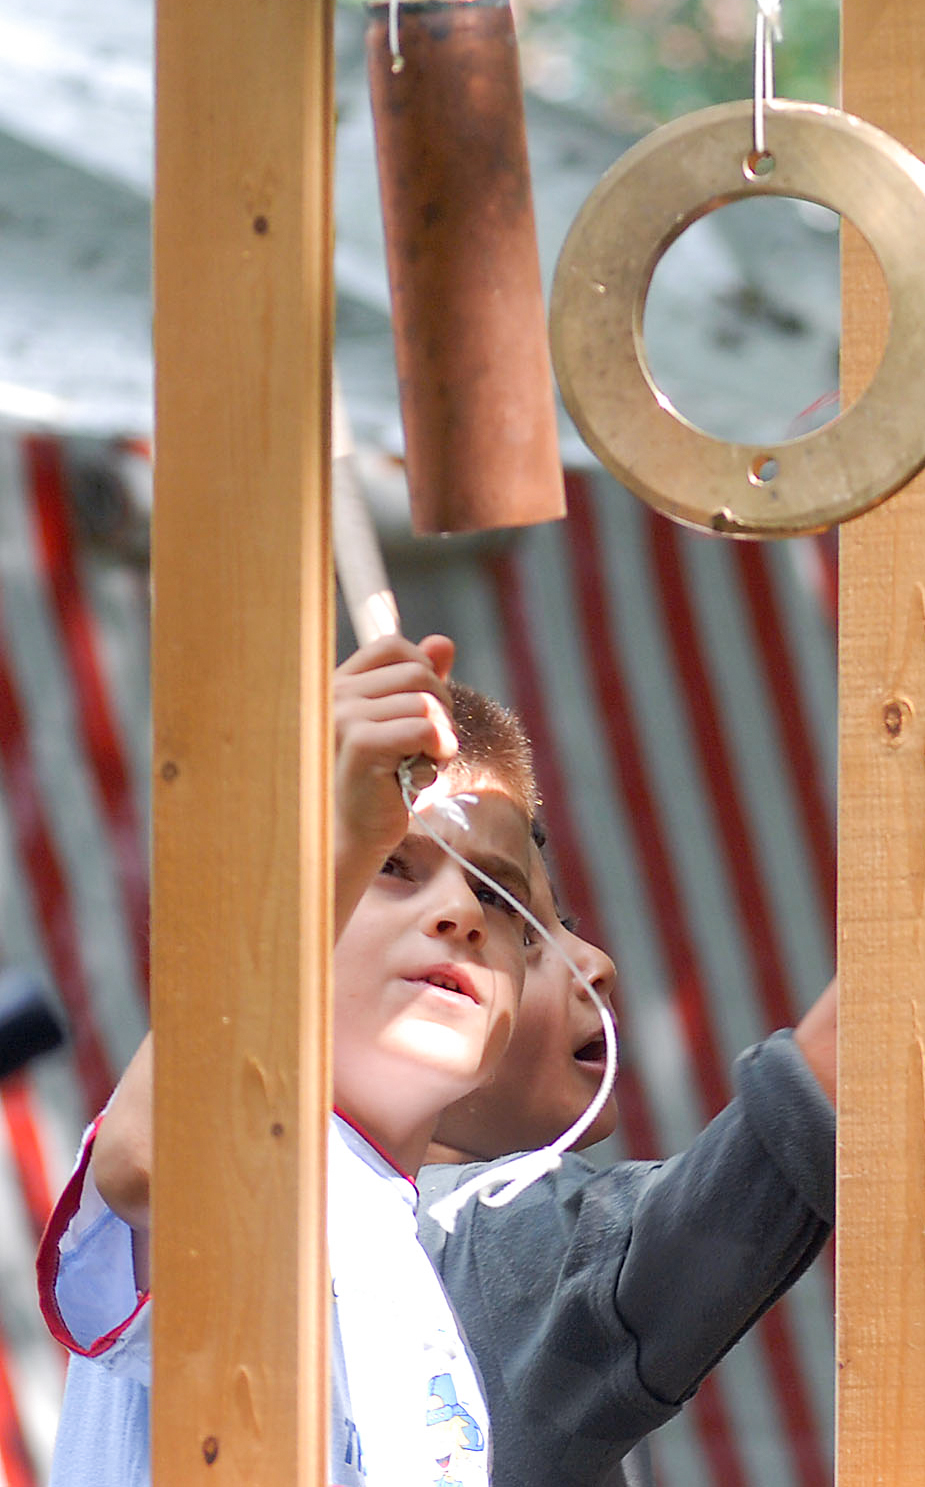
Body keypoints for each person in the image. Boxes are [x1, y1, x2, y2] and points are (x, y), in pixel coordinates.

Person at [42, 633, 537, 1485]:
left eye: (497, 893)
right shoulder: (260, 1139)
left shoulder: (398, 1244)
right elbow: (150, 1165)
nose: (460, 909)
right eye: (391, 864)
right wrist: (322, 841)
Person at [413, 871, 840, 1487]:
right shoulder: (474, 1233)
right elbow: (739, 1181)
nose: (597, 963)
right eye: (515, 932)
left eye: (565, 926)